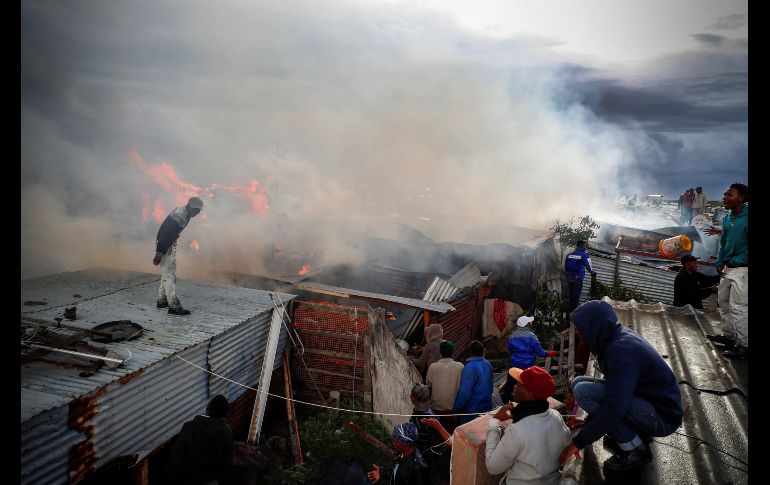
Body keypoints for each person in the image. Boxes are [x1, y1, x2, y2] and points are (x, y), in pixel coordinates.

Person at [559, 301, 683, 473]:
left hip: (662, 417)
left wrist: (578, 442)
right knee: (578, 383)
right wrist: (589, 423)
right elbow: (615, 391)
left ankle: (636, 449)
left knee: (584, 392)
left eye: (581, 328)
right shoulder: (614, 336)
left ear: (594, 327)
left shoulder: (620, 353)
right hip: (648, 403)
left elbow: (614, 406)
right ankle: (631, 433)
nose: (579, 332)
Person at [485, 366, 570, 484]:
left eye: (519, 385)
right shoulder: (556, 416)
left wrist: (495, 422)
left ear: (530, 394)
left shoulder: (517, 431)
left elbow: (492, 467)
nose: (514, 387)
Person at [706, 183, 749, 359]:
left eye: (729, 195)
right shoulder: (728, 217)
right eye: (724, 194)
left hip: (743, 269)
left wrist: (735, 260)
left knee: (738, 308)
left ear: (742, 198)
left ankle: (744, 345)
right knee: (723, 303)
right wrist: (720, 260)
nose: (724, 197)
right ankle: (729, 337)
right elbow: (724, 242)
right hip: (728, 268)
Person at [166, 394, 233, 485]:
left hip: (187, 480)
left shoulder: (189, 427)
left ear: (207, 408)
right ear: (224, 414)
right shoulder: (226, 431)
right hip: (211, 480)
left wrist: (170, 478)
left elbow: (176, 458)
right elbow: (226, 460)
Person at [153, 196, 204, 315]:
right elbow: (164, 234)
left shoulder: (187, 214)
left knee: (168, 273)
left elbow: (172, 233)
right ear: (189, 206)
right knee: (170, 276)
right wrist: (159, 252)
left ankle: (162, 300)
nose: (197, 213)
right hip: (164, 244)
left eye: (199, 211)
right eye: (196, 210)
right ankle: (174, 306)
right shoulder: (179, 216)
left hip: (169, 244)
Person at [500, 315, 559, 403]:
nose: (531, 323)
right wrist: (554, 353)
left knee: (509, 387)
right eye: (529, 322)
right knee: (526, 388)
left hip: (514, 366)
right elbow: (541, 353)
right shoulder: (532, 336)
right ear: (527, 325)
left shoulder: (512, 336)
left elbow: (510, 349)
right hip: (527, 368)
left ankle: (504, 404)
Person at [425, 340, 464, 433]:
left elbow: (428, 388)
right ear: (453, 352)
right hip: (454, 413)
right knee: (452, 438)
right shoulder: (460, 367)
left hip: (436, 412)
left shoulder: (433, 367)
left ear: (441, 352)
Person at [452, 340, 494, 425]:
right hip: (487, 410)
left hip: (472, 414)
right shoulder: (488, 364)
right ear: (483, 351)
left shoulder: (469, 367)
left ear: (470, 352)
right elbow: (491, 389)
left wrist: (456, 411)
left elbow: (464, 394)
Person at [408, 383, 439, 485]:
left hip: (422, 457)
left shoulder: (419, 420)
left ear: (413, 398)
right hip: (431, 456)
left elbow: (416, 442)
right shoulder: (432, 413)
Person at [564, 241, 597, 313]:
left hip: (569, 278)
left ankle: (568, 313)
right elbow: (589, 266)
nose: (585, 247)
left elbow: (566, 267)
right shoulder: (584, 255)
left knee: (571, 296)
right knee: (575, 298)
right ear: (582, 246)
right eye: (585, 246)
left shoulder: (569, 255)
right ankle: (572, 315)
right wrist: (592, 273)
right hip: (577, 279)